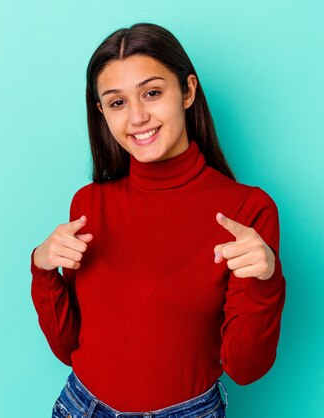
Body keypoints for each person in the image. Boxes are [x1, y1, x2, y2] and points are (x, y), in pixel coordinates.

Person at [30, 22, 286, 418]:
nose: (137, 117)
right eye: (117, 102)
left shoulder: (246, 211)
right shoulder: (89, 204)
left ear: (187, 91)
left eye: (152, 93)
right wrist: (42, 268)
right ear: (101, 112)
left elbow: (245, 368)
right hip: (82, 406)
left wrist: (265, 282)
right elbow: (69, 348)